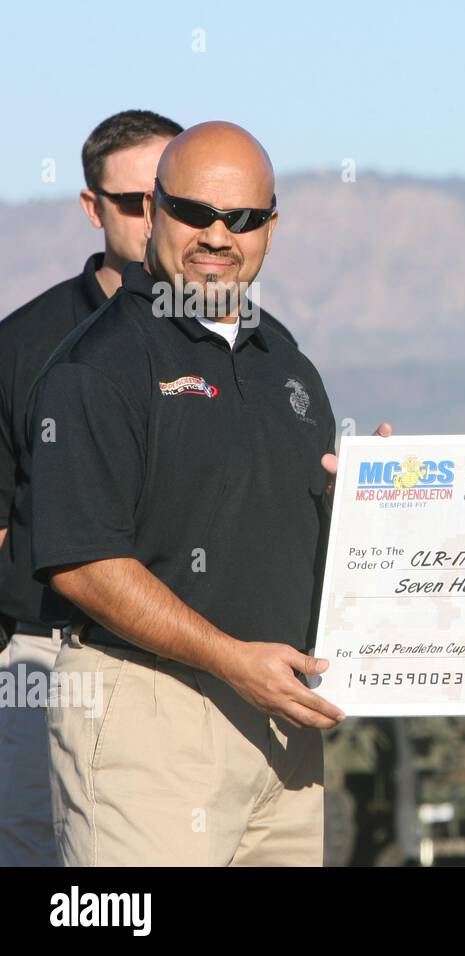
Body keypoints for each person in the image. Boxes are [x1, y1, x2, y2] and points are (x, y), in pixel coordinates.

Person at [27, 121, 381, 866]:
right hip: (149, 714)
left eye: (243, 219)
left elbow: (296, 533)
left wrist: (381, 498)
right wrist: (228, 658)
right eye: (195, 212)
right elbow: (84, 562)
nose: (219, 236)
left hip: (283, 725)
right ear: (153, 211)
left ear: (271, 228)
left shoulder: (286, 362)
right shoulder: (99, 365)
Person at [0, 109, 182, 867]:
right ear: (92, 207)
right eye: (132, 202)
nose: (152, 219)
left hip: (194, 671)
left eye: (168, 199)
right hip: (48, 667)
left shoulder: (255, 345)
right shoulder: (23, 344)